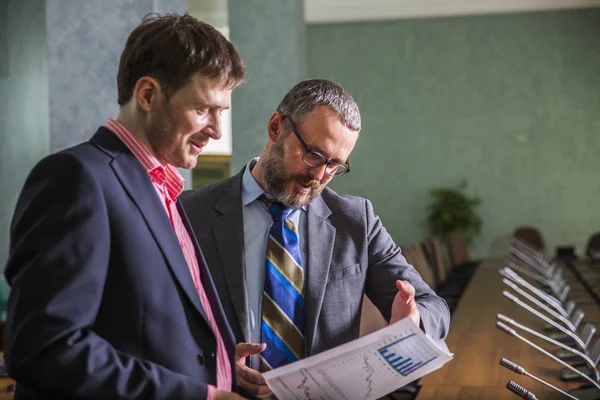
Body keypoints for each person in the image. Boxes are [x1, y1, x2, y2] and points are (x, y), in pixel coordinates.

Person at [4, 13, 249, 400]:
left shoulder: (166, 189)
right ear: (148, 94)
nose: (216, 130)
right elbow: (45, 346)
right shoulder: (76, 179)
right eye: (204, 109)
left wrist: (215, 359)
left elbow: (135, 321)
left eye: (223, 112)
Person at [181, 79, 451, 398]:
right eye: (314, 154)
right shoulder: (189, 213)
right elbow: (156, 327)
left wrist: (414, 321)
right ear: (276, 127)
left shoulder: (356, 221)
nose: (320, 175)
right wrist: (216, 362)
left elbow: (434, 306)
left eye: (334, 165)